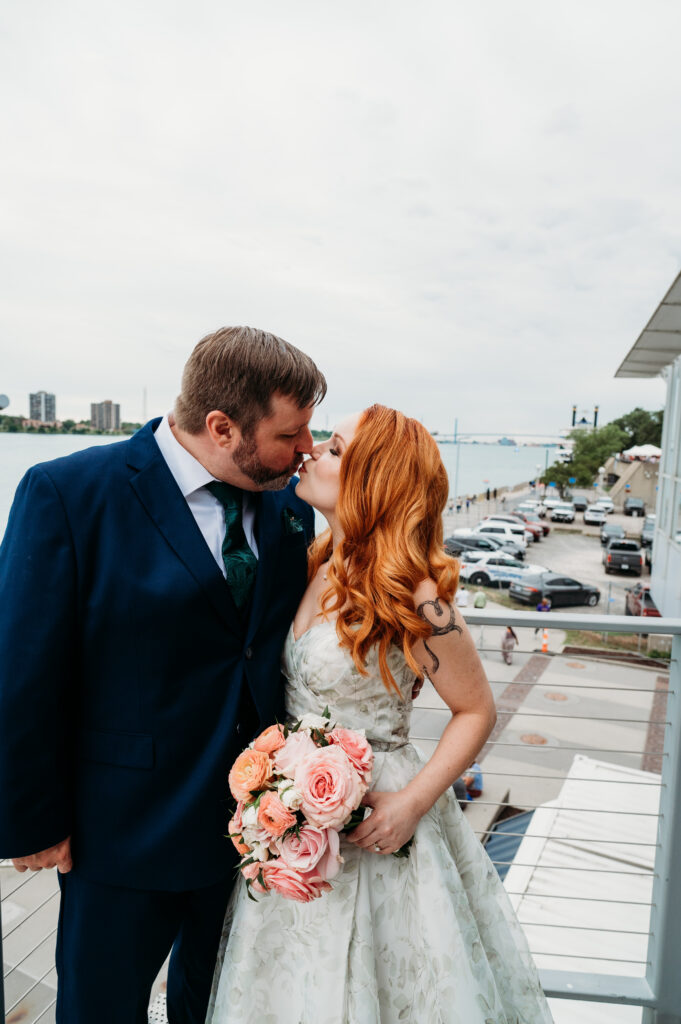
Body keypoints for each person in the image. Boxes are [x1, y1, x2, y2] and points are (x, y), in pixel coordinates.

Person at [0, 327, 327, 1024]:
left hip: (255, 833)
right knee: (101, 1012)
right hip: (120, 832)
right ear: (221, 427)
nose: (306, 448)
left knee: (216, 1010)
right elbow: (22, 668)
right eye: (292, 433)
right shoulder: (67, 493)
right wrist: (32, 819)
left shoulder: (289, 507)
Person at [208, 405, 553, 1023]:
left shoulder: (413, 593)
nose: (311, 451)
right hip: (296, 828)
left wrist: (411, 803)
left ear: (373, 482)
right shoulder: (312, 563)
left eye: (334, 449)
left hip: (379, 820)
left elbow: (475, 709)